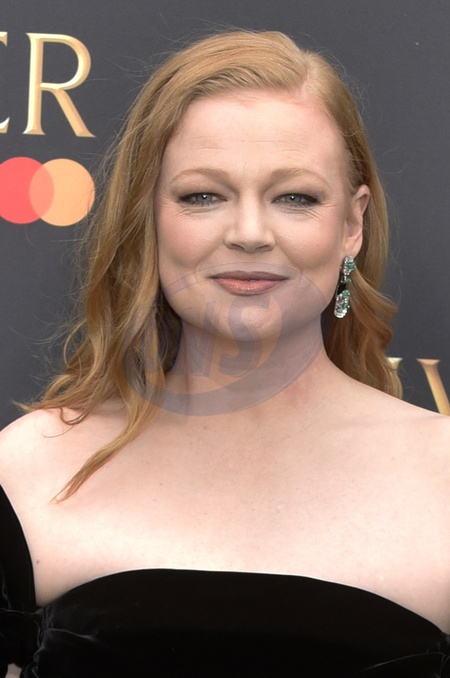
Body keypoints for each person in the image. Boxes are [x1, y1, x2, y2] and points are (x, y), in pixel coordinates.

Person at [1, 29, 449, 677]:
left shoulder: (442, 480)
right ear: (148, 217)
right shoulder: (31, 470)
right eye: (202, 196)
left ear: (352, 224)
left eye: (294, 197)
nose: (249, 233)